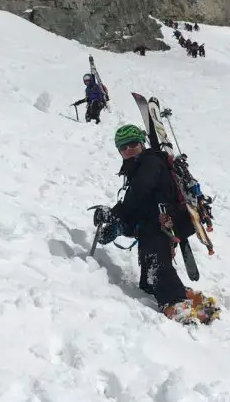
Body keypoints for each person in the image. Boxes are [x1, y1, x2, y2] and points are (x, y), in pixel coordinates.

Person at [93, 125, 217, 324]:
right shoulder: (140, 165)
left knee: (157, 263)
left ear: (142, 143)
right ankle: (192, 300)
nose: (128, 150)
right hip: (162, 221)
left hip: (166, 221)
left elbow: (136, 197)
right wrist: (120, 226)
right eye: (122, 148)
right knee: (150, 277)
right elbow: (140, 207)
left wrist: (113, 215)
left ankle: (176, 302)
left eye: (132, 144)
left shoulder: (150, 162)